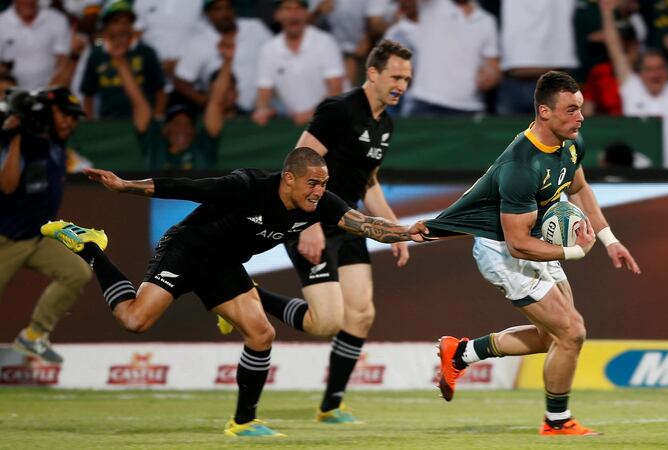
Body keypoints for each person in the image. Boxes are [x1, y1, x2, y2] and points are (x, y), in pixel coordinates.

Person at [41, 147, 428, 437]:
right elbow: (187, 187)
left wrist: (404, 231)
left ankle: (243, 422)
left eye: (324, 183)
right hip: (188, 250)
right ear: (288, 178)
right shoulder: (247, 186)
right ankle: (91, 247)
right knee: (134, 320)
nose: (320, 191)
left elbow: (362, 224)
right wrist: (125, 186)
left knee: (262, 334)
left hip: (224, 267)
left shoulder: (319, 203)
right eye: (313, 183)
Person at [423, 70, 641, 436]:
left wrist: (609, 240)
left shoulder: (571, 143)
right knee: (571, 332)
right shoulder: (521, 166)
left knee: (554, 336)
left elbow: (581, 188)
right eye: (571, 110)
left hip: (533, 241)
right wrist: (574, 252)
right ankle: (556, 421)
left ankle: (461, 353)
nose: (580, 117)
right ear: (544, 111)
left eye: (580, 108)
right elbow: (516, 243)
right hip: (503, 250)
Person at [222, 39, 413, 424]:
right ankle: (246, 297)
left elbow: (369, 182)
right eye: (395, 76)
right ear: (372, 73)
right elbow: (299, 163)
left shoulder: (385, 124)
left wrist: (392, 229)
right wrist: (308, 224)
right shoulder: (339, 110)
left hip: (348, 222)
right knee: (324, 323)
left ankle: (331, 406)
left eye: (407, 79)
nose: (401, 85)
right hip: (311, 221)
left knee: (360, 314)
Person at [0, 87, 92, 364]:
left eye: (74, 118)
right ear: (47, 113)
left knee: (77, 272)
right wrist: (14, 134)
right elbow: (7, 186)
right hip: (6, 239)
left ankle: (34, 335)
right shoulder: (19, 140)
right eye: (65, 115)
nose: (69, 122)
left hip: (36, 235)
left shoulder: (53, 142)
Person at [601, 0, 668, 168]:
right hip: (638, 179)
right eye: (650, 69)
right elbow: (615, 50)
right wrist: (607, 14)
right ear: (641, 73)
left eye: (660, 68)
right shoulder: (632, 89)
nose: (655, 73)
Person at [119, 30, 236, 169]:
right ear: (165, 129)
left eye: (188, 124)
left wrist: (228, 61)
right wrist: (119, 60)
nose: (183, 129)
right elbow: (138, 103)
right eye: (176, 123)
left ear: (194, 131)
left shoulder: (203, 148)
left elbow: (216, 102)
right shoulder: (155, 148)